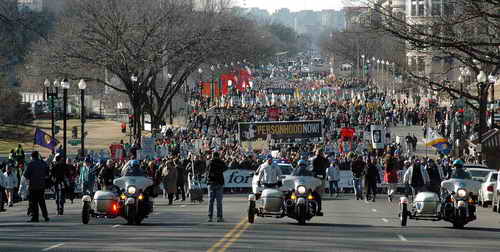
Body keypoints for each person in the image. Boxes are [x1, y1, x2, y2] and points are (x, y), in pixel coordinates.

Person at [23, 151, 50, 222]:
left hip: (33, 186)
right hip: (41, 185)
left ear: (32, 157)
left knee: (34, 202)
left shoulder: (31, 164)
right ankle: (45, 216)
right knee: (42, 202)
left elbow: (26, 175)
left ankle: (35, 217)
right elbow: (47, 172)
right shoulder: (43, 163)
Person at [206, 152, 226, 222]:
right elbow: (226, 168)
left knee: (211, 201)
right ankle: (219, 217)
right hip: (219, 183)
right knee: (219, 201)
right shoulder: (220, 163)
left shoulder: (210, 163)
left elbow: (207, 172)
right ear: (218, 156)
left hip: (211, 183)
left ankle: (210, 216)